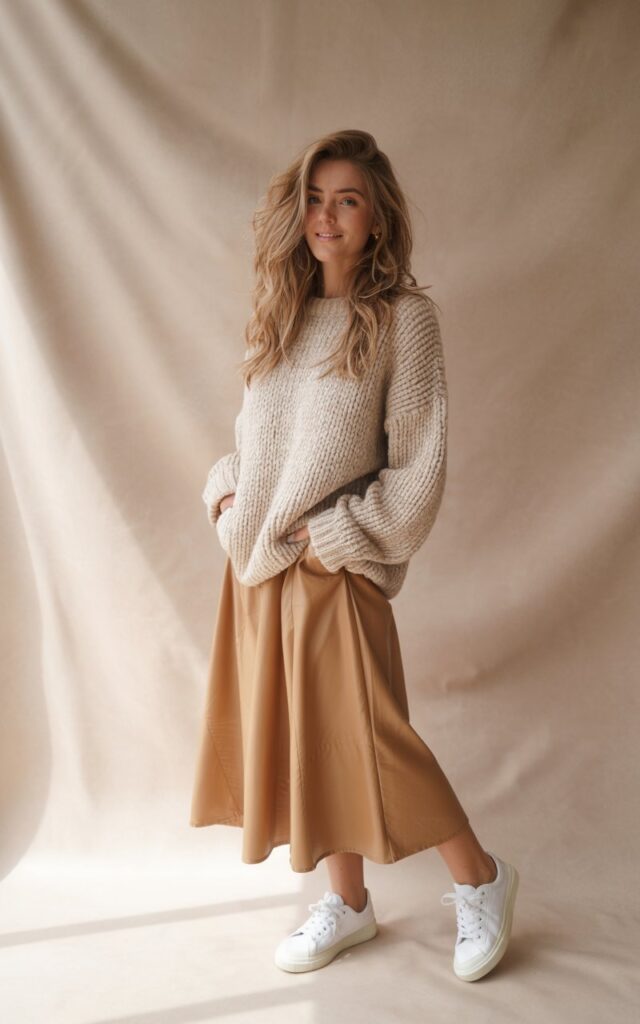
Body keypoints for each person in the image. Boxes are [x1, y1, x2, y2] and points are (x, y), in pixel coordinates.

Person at [190, 129, 519, 982]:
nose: (326, 216)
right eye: (315, 198)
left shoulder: (406, 320)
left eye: (347, 200)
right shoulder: (283, 312)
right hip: (255, 569)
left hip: (332, 568)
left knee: (374, 739)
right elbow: (257, 440)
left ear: (377, 219)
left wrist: (338, 540)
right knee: (310, 744)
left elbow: (420, 466)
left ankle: (482, 878)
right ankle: (350, 903)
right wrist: (224, 492)